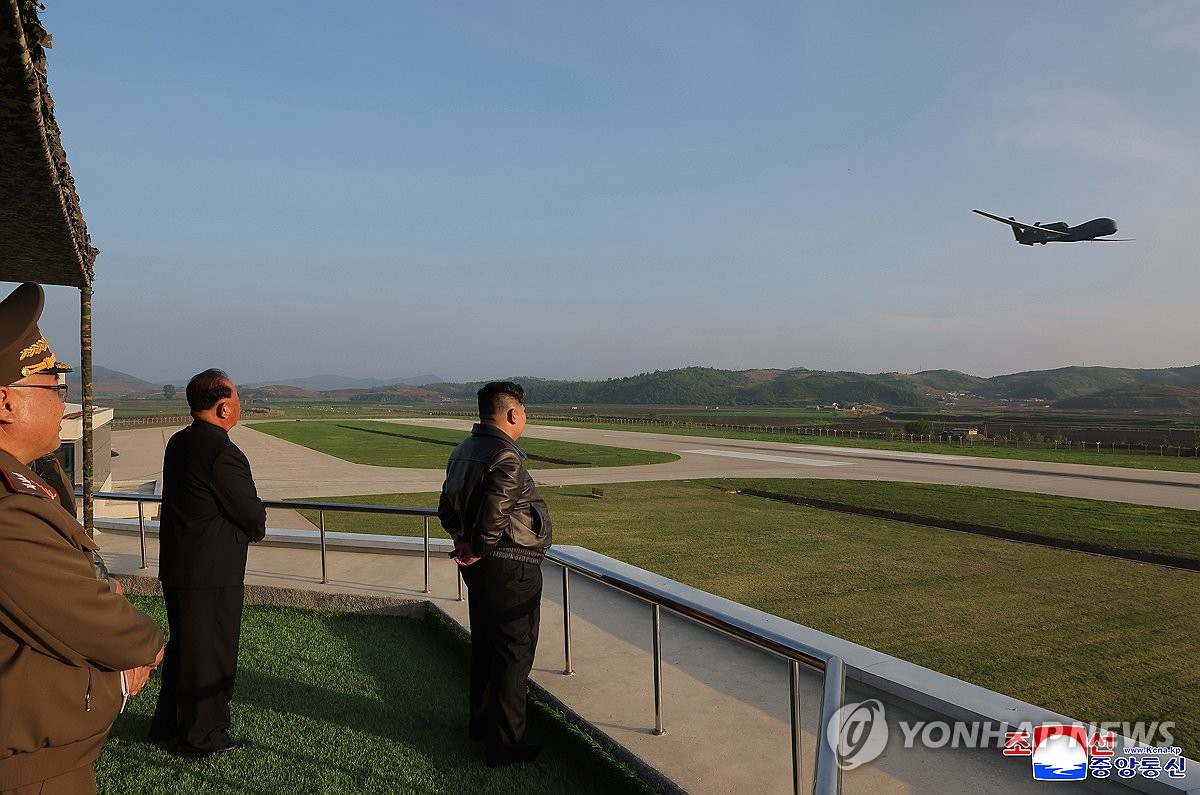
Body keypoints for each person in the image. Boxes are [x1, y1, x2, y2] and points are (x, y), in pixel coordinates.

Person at [0, 282, 164, 795]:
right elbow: (91, 621)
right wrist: (146, 647)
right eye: (54, 388)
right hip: (29, 773)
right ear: (5, 402)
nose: (63, 403)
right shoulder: (8, 510)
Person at [149, 368, 266, 757]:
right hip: (212, 571)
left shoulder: (180, 441)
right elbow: (251, 514)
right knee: (212, 654)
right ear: (223, 407)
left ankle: (168, 724)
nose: (240, 406)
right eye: (237, 399)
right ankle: (203, 736)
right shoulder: (223, 452)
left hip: (180, 566)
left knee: (186, 649)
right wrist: (256, 526)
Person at [438, 381, 552, 767]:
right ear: (513, 414)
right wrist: (477, 546)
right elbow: (494, 515)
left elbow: (445, 505)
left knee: (486, 648)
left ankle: (481, 725)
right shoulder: (506, 457)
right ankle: (505, 745)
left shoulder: (463, 450)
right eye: (524, 412)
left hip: (483, 569)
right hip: (511, 567)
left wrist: (462, 539)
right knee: (513, 655)